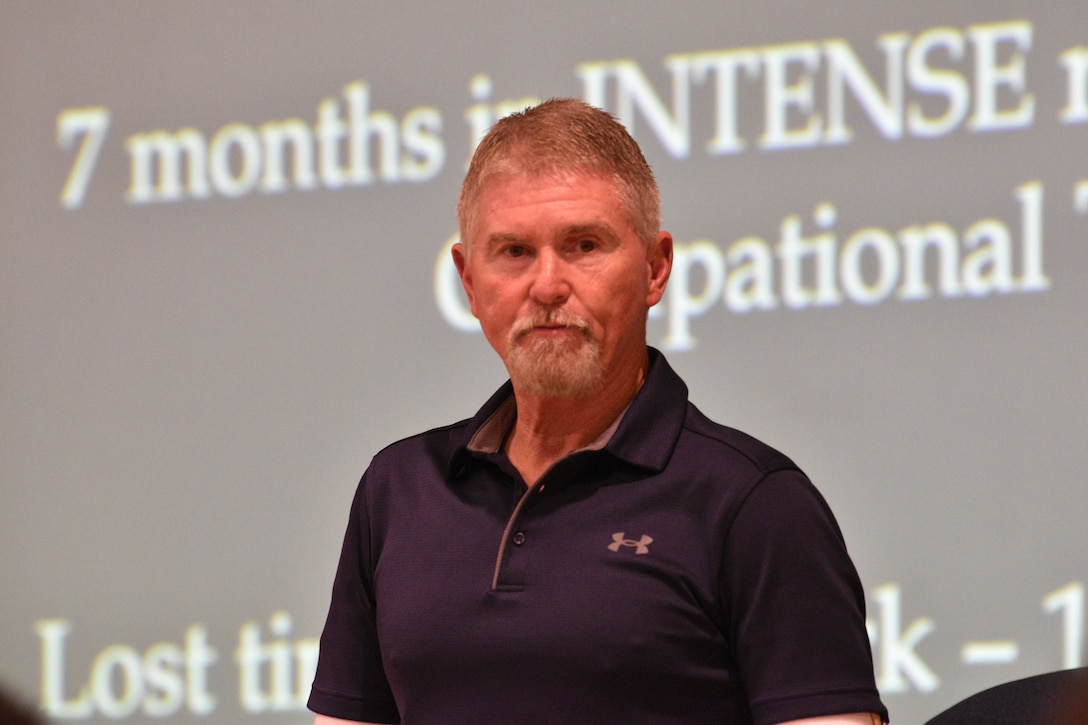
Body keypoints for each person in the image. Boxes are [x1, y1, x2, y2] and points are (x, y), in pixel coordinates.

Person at [308, 98, 888, 725]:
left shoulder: (753, 503)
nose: (548, 284)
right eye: (514, 252)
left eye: (584, 245)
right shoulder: (398, 490)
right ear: (469, 282)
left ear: (655, 268)